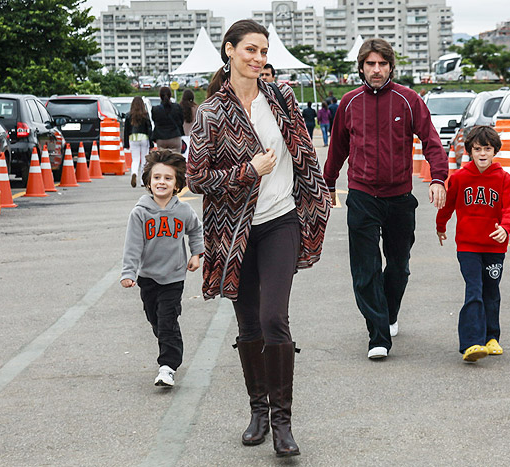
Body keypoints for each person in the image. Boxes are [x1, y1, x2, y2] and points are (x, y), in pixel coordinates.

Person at [187, 20, 330, 458]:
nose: (258, 58)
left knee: (273, 320)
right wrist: (249, 171)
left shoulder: (281, 97)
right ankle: (258, 411)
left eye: (263, 51)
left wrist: (317, 195)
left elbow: (303, 149)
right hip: (233, 232)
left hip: (281, 220)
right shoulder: (210, 112)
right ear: (229, 51)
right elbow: (195, 179)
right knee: (249, 325)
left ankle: (283, 421)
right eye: (250, 50)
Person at [324, 38, 448, 360]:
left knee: (399, 268)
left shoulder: (409, 100)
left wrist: (438, 178)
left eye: (382, 64)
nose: (376, 70)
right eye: (370, 64)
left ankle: (389, 313)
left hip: (399, 199)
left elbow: (432, 142)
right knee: (365, 270)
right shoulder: (349, 104)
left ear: (391, 66)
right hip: (362, 196)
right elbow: (337, 150)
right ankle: (378, 336)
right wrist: (325, 187)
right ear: (361, 68)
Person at [120, 149, 204, 387]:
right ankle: (170, 343)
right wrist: (128, 272)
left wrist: (196, 255)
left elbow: (196, 230)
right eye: (157, 177)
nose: (161, 182)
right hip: (148, 277)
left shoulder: (183, 210)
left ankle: (167, 366)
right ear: (148, 181)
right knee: (155, 319)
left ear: (177, 183)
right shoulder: (140, 213)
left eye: (168, 178)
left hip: (174, 277)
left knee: (167, 321)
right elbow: (132, 246)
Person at [436, 126, 510, 363]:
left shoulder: (503, 178)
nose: (482, 154)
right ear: (470, 151)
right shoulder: (460, 178)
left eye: (487, 149)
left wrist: (505, 227)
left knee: (491, 292)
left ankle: (492, 337)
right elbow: (448, 205)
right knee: (474, 290)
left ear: (495, 151)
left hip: (494, 248)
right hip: (468, 246)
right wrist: (440, 226)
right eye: (477, 149)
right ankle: (471, 342)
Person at [124, 96, 153, 188]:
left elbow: (126, 130)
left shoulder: (129, 115)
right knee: (144, 159)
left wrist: (126, 143)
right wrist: (151, 142)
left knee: (135, 159)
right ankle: (142, 181)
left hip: (133, 138)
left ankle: (134, 173)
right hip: (144, 137)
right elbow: (149, 129)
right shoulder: (145, 114)